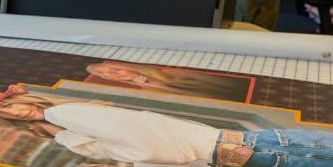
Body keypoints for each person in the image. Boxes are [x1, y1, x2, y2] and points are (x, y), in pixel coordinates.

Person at [0, 85, 333, 167]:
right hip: (216, 155)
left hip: (225, 147)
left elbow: (148, 145)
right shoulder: (60, 133)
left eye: (9, 103)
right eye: (5, 113)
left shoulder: (66, 112)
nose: (15, 111)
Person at [84, 61, 253, 102]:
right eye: (106, 75)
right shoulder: (145, 91)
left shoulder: (170, 72)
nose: (113, 75)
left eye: (115, 69)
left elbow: (235, 86)